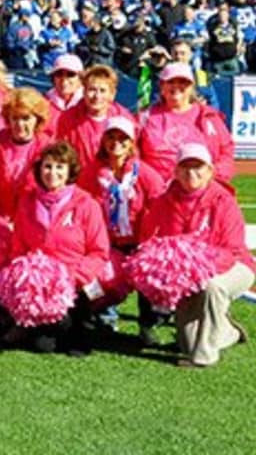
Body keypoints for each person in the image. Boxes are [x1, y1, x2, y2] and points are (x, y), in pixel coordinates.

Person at [141, 144, 255, 368]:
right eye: (185, 167)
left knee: (212, 287)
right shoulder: (164, 202)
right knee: (186, 341)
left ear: (210, 171)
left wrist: (195, 266)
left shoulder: (223, 201)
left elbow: (231, 250)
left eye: (198, 167)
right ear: (175, 171)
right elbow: (150, 238)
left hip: (233, 267)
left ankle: (203, 357)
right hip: (187, 273)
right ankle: (228, 331)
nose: (191, 173)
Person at [7, 141, 109, 357]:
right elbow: (18, 246)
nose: (52, 173)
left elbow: (99, 251)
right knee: (44, 347)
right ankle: (35, 326)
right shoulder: (27, 201)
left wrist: (73, 278)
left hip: (75, 282)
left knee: (73, 338)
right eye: (47, 166)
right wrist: (28, 276)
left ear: (70, 171)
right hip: (40, 284)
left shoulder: (86, 204)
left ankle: (83, 325)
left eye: (59, 167)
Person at [75, 116, 166, 337]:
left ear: (132, 142)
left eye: (123, 138)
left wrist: (150, 240)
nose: (117, 142)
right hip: (108, 245)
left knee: (149, 275)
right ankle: (101, 315)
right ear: (103, 140)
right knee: (99, 280)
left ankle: (148, 324)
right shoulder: (92, 172)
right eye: (111, 137)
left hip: (140, 244)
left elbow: (162, 203)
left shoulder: (143, 172)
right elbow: (80, 203)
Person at [137, 62, 235, 183]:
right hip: (158, 192)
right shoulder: (145, 118)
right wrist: (152, 182)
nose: (176, 87)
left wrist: (212, 176)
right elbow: (132, 155)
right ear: (162, 86)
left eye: (183, 82)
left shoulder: (209, 117)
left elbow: (226, 152)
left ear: (192, 87)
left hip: (201, 189)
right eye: (171, 82)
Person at [0, 88, 52, 234]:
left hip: (35, 222)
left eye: (26, 118)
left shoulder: (48, 149)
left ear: (37, 119)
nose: (20, 124)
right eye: (15, 118)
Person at [56, 65, 132, 172]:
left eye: (102, 91)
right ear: (83, 92)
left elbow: (132, 154)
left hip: (112, 182)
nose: (97, 96)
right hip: (80, 181)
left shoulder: (124, 117)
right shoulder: (69, 118)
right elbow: (62, 154)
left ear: (112, 94)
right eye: (92, 90)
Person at [43, 54, 85, 134]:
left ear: (80, 78)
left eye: (70, 74)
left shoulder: (90, 104)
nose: (64, 79)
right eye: (59, 74)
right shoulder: (42, 103)